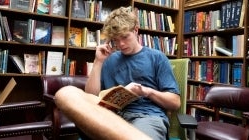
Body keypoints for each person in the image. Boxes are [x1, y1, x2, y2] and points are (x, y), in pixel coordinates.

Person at [55, 6, 180, 140]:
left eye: (125, 37)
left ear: (136, 30)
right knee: (66, 93)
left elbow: (175, 102)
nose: (121, 44)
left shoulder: (157, 57)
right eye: (115, 39)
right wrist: (98, 61)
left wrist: (147, 91)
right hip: (112, 117)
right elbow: (91, 96)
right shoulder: (109, 59)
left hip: (145, 116)